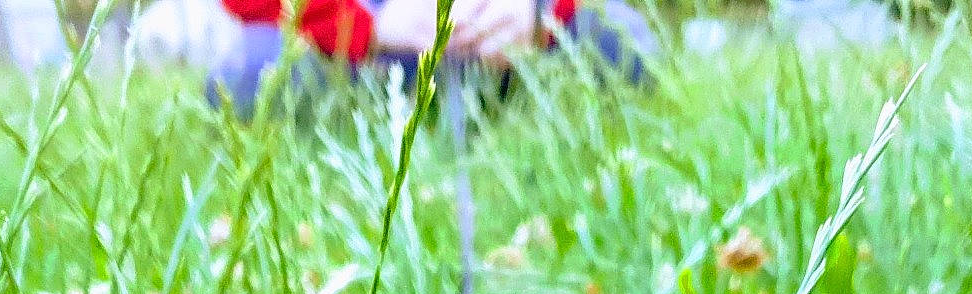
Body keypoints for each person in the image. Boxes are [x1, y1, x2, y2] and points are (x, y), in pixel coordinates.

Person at [130, 0, 652, 109]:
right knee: (245, 74)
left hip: (508, 43)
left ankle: (516, 111)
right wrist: (365, 26)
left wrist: (538, 11)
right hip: (364, 53)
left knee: (624, 36)